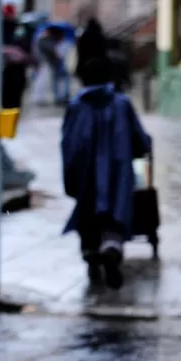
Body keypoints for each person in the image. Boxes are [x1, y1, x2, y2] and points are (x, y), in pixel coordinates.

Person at [61, 57, 152, 289]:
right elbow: (140, 140)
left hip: (86, 174)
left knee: (88, 214)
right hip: (117, 172)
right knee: (114, 215)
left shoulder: (76, 106)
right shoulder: (122, 103)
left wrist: (69, 176)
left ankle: (91, 253)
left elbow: (68, 143)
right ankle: (111, 247)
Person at [75, 18, 107, 82]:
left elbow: (80, 52)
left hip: (86, 65)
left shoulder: (84, 37)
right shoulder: (101, 36)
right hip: (100, 65)